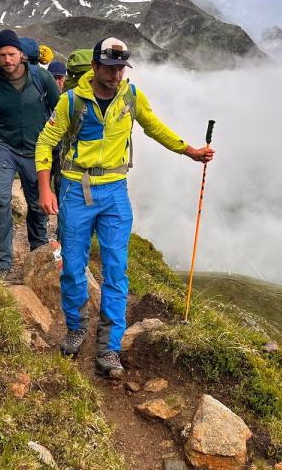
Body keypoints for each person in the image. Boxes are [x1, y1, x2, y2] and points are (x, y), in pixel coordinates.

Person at [36, 37, 214, 378]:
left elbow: (153, 126)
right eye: (110, 68)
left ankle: (109, 347)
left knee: (116, 271)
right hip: (76, 190)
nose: (117, 74)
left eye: (121, 68)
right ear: (95, 67)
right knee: (73, 267)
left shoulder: (131, 97)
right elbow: (46, 142)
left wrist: (188, 150)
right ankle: (76, 327)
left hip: (116, 191)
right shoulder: (71, 101)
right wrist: (46, 188)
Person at [0, 29, 60, 279]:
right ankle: (2, 263)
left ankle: (38, 252)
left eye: (12, 54)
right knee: (0, 200)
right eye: (2, 55)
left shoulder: (42, 78)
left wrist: (61, 150)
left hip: (37, 149)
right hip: (2, 147)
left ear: (22, 55)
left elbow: (60, 114)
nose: (8, 60)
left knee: (38, 205)